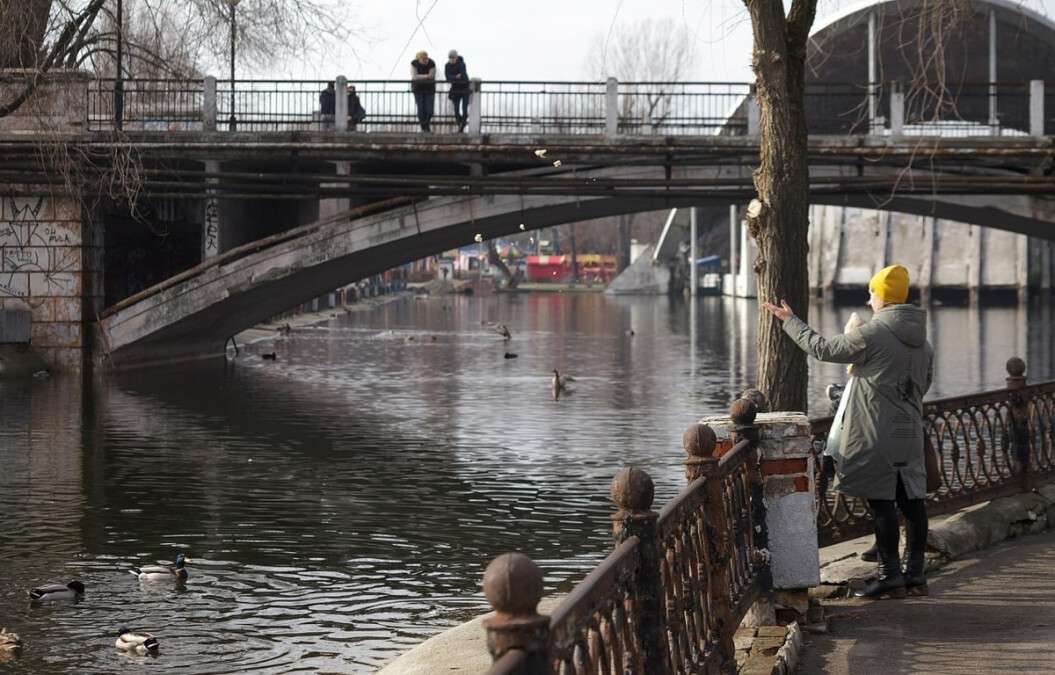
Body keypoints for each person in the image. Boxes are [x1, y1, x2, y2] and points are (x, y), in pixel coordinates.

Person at [762, 265, 933, 599]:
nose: (869, 299)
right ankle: (916, 575)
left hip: (875, 431)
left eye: (872, 293)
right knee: (913, 502)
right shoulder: (922, 342)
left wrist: (789, 320)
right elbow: (924, 385)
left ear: (883, 296)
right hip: (908, 431)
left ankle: (889, 575)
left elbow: (824, 349)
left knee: (882, 501)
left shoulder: (873, 334)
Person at [410, 50, 437, 132]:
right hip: (418, 89)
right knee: (421, 109)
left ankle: (426, 124)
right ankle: (424, 127)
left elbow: (431, 76)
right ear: (419, 59)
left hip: (429, 89)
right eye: (423, 59)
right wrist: (426, 76)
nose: (425, 61)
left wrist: (420, 76)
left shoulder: (432, 63)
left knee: (429, 110)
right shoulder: (414, 64)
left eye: (426, 59)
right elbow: (414, 76)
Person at [445, 49, 470, 132]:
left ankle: (462, 124)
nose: (451, 59)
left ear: (456, 57)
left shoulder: (462, 64)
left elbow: (463, 75)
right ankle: (460, 123)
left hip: (465, 88)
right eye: (450, 58)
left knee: (464, 109)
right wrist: (455, 77)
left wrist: (453, 77)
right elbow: (448, 78)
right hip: (455, 89)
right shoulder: (447, 66)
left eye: (453, 57)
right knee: (456, 110)